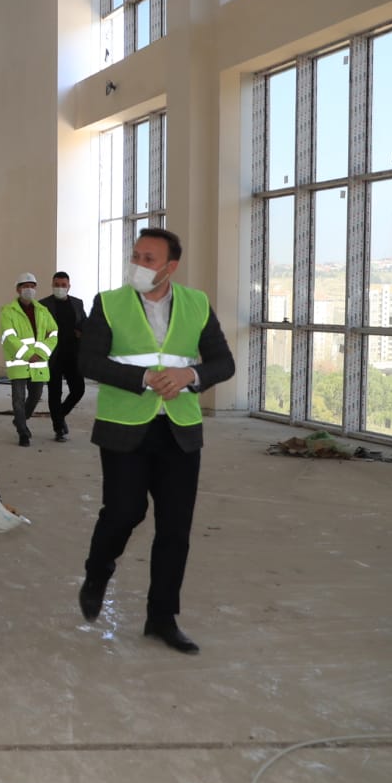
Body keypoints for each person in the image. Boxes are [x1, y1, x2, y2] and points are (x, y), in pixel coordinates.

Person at [77, 228, 235, 654]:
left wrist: (191, 375)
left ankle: (162, 618)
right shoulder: (109, 303)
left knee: (175, 529)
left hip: (179, 429)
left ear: (170, 267)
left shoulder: (196, 303)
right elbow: (88, 361)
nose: (139, 265)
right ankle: (98, 571)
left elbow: (223, 363)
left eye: (149, 259)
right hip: (124, 425)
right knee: (124, 512)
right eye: (136, 256)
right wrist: (143, 377)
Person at [0, 272, 58, 447]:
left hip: (38, 362)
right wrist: (27, 354)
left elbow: (53, 333)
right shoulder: (8, 311)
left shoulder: (43, 311)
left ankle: (20, 420)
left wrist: (40, 353)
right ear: (18, 289)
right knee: (18, 399)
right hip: (19, 362)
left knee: (35, 396)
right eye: (25, 286)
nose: (29, 290)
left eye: (32, 286)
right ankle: (23, 432)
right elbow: (9, 337)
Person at [41, 270, 89, 442]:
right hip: (53, 356)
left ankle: (59, 416)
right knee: (55, 393)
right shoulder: (43, 305)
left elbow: (84, 321)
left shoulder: (77, 303)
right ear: (52, 285)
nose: (60, 288)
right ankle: (59, 428)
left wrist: (82, 332)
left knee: (79, 389)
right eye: (57, 285)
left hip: (73, 354)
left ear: (69, 286)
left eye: (63, 285)